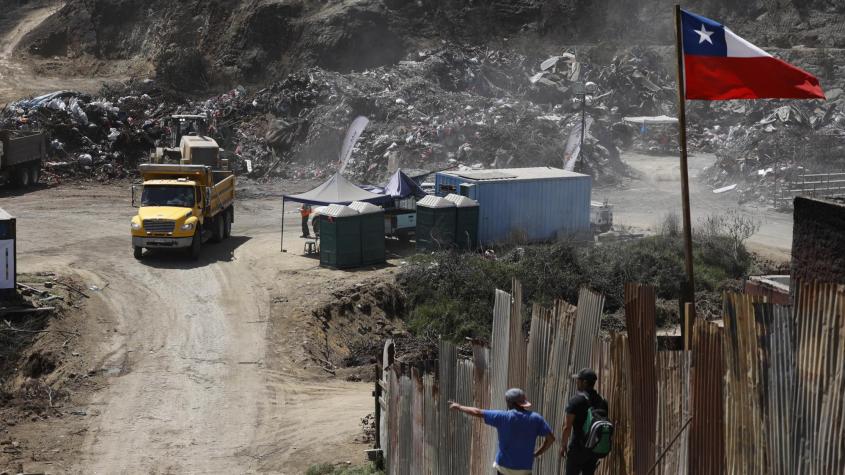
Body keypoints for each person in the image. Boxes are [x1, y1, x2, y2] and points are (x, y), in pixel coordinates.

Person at [450, 388, 555, 475]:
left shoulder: (502, 417)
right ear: (523, 402)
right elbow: (551, 439)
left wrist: (459, 407)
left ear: (509, 403)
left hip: (504, 468)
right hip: (524, 469)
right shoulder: (536, 418)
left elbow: (478, 412)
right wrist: (536, 453)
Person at [560, 368, 609, 475]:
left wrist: (563, 446)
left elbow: (567, 427)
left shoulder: (576, 400)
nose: (577, 382)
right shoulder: (602, 401)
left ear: (585, 382)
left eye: (579, 380)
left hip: (578, 448)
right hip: (594, 449)